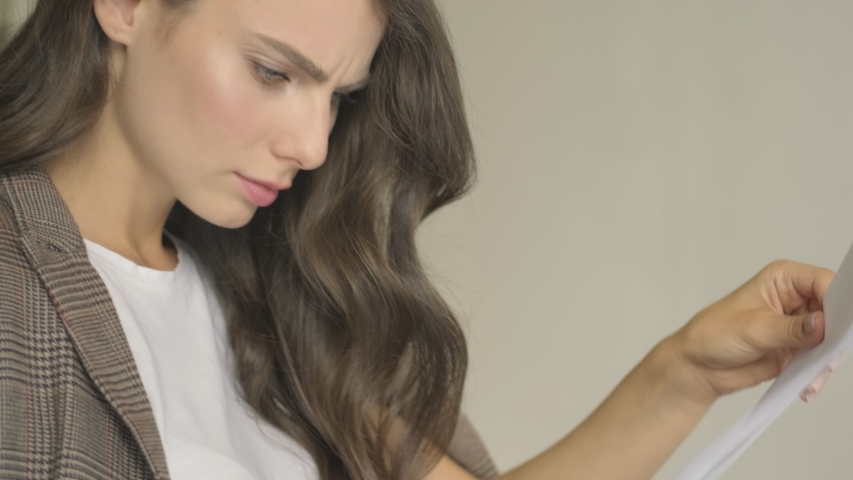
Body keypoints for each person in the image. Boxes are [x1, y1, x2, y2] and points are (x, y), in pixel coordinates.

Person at [0, 0, 837, 479]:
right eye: (273, 72)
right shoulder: (18, 295)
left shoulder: (270, 300)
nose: (314, 146)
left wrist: (683, 373)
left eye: (339, 97)